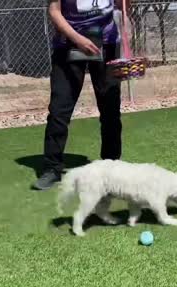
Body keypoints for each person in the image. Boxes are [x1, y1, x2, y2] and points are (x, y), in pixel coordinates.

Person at [34, 0, 130, 190]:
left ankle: (111, 165)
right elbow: (54, 11)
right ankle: (52, 169)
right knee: (59, 111)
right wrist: (78, 39)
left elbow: (122, 5)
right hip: (68, 45)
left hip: (107, 44)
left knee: (110, 110)